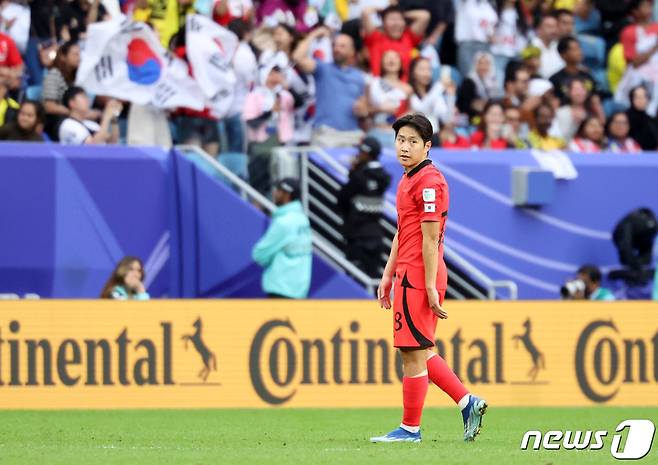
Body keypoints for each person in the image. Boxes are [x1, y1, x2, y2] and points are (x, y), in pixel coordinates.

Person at [371, 113, 486, 444]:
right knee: (422, 349)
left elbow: (431, 239)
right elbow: (401, 231)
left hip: (420, 275)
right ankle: (468, 403)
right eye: (401, 140)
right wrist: (388, 273)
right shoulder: (408, 178)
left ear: (427, 146)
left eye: (412, 142)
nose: (404, 147)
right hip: (408, 272)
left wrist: (431, 287)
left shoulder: (429, 182)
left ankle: (410, 429)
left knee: (411, 352)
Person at [293, 26, 368, 147]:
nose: (336, 49)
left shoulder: (359, 77)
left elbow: (363, 109)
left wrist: (363, 111)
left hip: (351, 135)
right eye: (334, 45)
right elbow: (298, 57)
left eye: (342, 46)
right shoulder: (323, 68)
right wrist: (314, 34)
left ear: (352, 51)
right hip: (325, 134)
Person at [337, 136, 391, 279]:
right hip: (376, 235)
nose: (357, 155)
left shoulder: (359, 176)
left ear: (367, 154)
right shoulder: (383, 177)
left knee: (355, 283)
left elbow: (342, 199)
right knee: (372, 279)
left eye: (360, 152)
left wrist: (354, 171)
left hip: (357, 237)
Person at [252, 178, 312, 299]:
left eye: (278, 190)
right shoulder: (303, 220)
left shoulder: (283, 223)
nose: (274, 193)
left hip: (280, 287)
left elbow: (258, 254)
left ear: (287, 194)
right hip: (300, 288)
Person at [361, 5, 430, 78]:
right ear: (383, 23)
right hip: (380, 86)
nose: (396, 23)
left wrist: (402, 13)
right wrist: (383, 11)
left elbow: (425, 16)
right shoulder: (375, 39)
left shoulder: (408, 37)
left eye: (400, 19)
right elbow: (365, 13)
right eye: (392, 19)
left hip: (404, 86)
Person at [368, 50, 412, 147]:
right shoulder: (373, 84)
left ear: (400, 63)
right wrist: (380, 108)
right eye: (387, 57)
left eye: (395, 57)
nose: (391, 60)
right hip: (376, 132)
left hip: (398, 135)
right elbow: (365, 111)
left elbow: (410, 112)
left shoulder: (407, 89)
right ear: (382, 63)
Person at [409, 57, 456, 138]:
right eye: (422, 69)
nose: (426, 73)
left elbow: (446, 119)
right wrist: (440, 86)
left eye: (429, 69)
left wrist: (450, 96)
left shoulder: (435, 93)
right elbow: (422, 109)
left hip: (434, 137)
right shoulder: (409, 91)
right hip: (415, 137)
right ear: (413, 72)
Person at [549, 36, 598, 105]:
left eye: (579, 48)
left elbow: (595, 100)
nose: (579, 52)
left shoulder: (587, 76)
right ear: (563, 55)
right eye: (574, 49)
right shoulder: (555, 80)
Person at [457, 52, 500, 123]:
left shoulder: (494, 82)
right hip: (471, 118)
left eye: (486, 64)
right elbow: (466, 105)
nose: (483, 67)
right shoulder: (469, 81)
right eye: (480, 63)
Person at [531, 14, 565, 78]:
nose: (553, 30)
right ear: (538, 29)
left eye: (555, 26)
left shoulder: (559, 46)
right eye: (549, 26)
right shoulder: (531, 46)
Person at [626, 85, 658, 150]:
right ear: (631, 99)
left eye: (644, 97)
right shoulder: (626, 118)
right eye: (637, 97)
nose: (641, 100)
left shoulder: (651, 119)